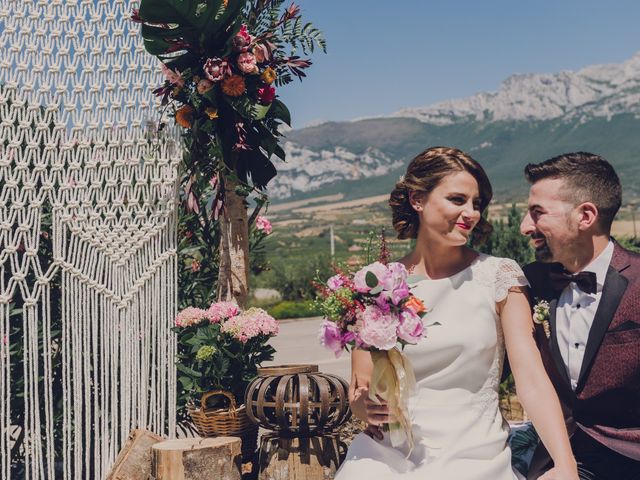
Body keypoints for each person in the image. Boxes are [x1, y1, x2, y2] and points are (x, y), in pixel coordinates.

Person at [335, 147, 578, 480]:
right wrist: (367, 407)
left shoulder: (500, 276)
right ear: (417, 199)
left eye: (476, 204)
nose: (471, 213)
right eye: (457, 200)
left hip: (473, 453)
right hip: (388, 452)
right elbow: (359, 391)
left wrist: (565, 465)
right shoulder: (376, 283)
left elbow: (531, 379)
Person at [519, 152, 640, 480]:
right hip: (559, 458)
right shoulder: (525, 283)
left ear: (585, 215)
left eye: (537, 213)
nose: (524, 227)